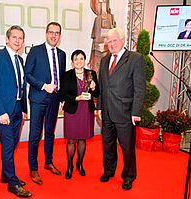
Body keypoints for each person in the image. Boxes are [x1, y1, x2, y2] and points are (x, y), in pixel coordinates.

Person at [97, 28, 146, 190]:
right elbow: (103, 87)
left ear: (123, 40)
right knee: (107, 145)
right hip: (107, 112)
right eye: (108, 42)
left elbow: (140, 88)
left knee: (127, 147)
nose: (111, 44)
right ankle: (109, 171)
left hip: (126, 112)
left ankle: (128, 176)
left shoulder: (135, 58)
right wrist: (99, 107)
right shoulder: (104, 61)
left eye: (114, 40)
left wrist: (136, 112)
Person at [0, 25, 32, 198]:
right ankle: (13, 183)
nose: (18, 41)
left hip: (17, 110)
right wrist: (1, 112)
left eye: (20, 38)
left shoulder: (20, 60)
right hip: (3, 111)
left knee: (12, 144)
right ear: (7, 39)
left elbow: (20, 87)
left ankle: (5, 174)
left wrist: (21, 109)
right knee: (7, 145)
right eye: (14, 37)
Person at [24, 22, 66, 185]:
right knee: (35, 134)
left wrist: (62, 98)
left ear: (60, 36)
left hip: (55, 100)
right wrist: (43, 85)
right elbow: (27, 74)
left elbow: (61, 78)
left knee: (50, 132)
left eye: (57, 33)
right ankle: (33, 168)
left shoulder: (62, 54)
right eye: (51, 32)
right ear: (46, 33)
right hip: (38, 98)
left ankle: (48, 162)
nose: (54, 35)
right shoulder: (35, 51)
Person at [60, 49, 99, 179]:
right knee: (71, 140)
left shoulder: (91, 73)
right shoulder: (67, 75)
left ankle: (80, 164)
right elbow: (63, 94)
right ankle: (70, 166)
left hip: (86, 111)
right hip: (72, 110)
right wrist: (76, 98)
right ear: (72, 62)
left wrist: (94, 88)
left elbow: (98, 93)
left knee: (82, 139)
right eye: (76, 59)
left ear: (85, 61)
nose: (78, 61)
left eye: (81, 58)